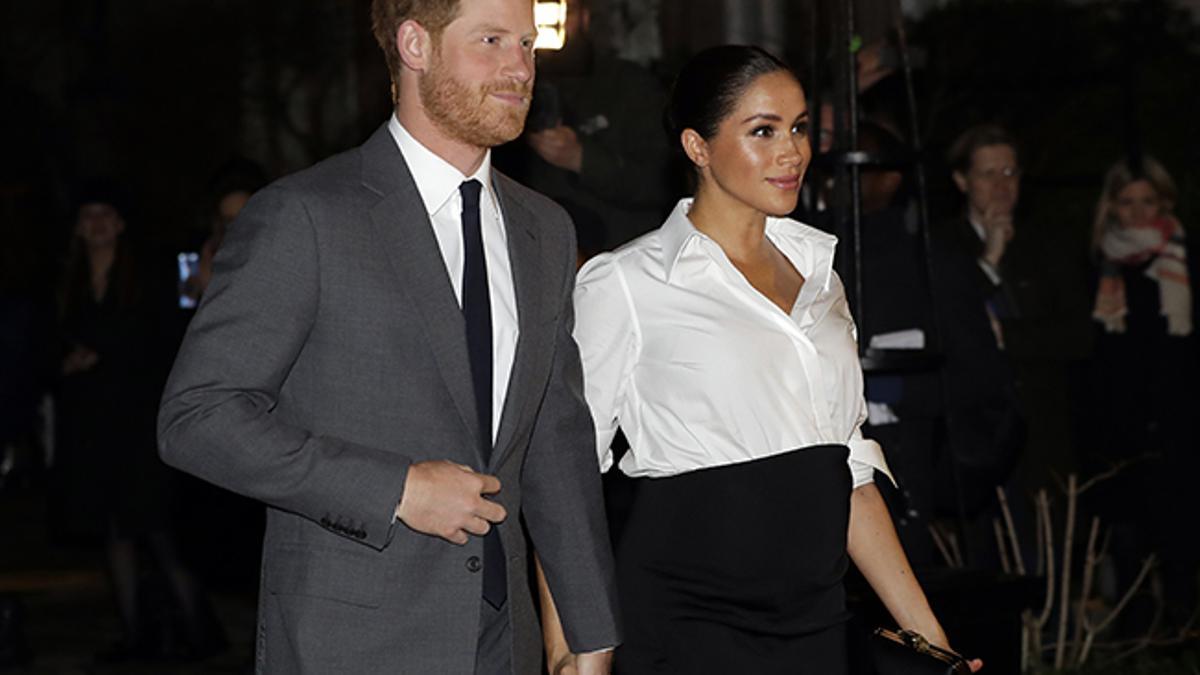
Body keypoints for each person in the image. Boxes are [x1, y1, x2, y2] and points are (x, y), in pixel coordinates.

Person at [156, 0, 620, 673]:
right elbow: (197, 417)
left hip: (504, 644)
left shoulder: (543, 229)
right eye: (490, 40)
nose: (520, 67)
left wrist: (587, 625)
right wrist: (396, 488)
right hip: (350, 643)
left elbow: (555, 441)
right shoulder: (306, 215)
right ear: (415, 44)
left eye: (527, 43)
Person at [541, 45, 980, 674]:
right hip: (683, 621)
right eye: (763, 131)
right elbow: (563, 475)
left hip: (816, 618)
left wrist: (935, 646)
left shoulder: (821, 275)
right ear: (697, 147)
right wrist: (571, 655)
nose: (792, 151)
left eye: (799, 127)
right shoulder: (626, 283)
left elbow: (849, 469)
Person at [54, 184, 220, 661]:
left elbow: (160, 337)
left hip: (139, 423)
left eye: (106, 214)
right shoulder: (70, 278)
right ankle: (133, 633)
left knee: (157, 530)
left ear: (121, 223)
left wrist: (101, 354)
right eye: (89, 215)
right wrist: (65, 361)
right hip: (92, 426)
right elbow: (52, 336)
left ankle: (200, 634)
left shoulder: (146, 274)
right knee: (116, 533)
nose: (98, 223)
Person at [1086, 156, 1199, 631]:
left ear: (1164, 203)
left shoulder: (1182, 259)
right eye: (1126, 201)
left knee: (1179, 532)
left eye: (1147, 201)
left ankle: (1182, 630)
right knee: (1126, 535)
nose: (1136, 213)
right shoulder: (1100, 265)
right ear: (1111, 207)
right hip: (1119, 420)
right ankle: (1133, 632)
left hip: (1179, 416)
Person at [497, 0, 672, 250]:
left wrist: (581, 158)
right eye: (536, 14)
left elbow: (660, 184)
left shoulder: (629, 86)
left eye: (557, 13)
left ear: (584, 18)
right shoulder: (505, 83)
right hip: (534, 252)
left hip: (615, 253)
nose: (547, 25)